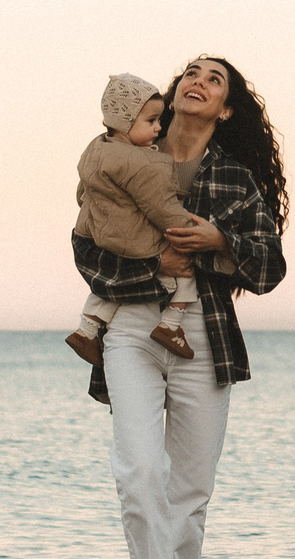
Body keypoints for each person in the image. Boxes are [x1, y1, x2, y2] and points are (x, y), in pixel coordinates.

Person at [71, 55, 288, 559]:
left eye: (215, 79)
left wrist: (221, 244)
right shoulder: (120, 157)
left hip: (203, 334)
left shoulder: (234, 178)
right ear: (172, 95)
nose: (200, 81)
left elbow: (270, 268)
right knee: (139, 468)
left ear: (225, 108)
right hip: (130, 327)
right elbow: (85, 248)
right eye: (192, 72)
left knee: (191, 486)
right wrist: (152, 270)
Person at [65, 74, 198, 368]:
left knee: (114, 287)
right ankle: (171, 325)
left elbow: (81, 194)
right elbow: (162, 207)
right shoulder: (144, 163)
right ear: (124, 123)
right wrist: (188, 234)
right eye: (151, 121)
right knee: (184, 275)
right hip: (135, 240)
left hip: (95, 234)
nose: (159, 127)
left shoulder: (95, 148)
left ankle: (87, 329)